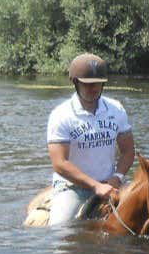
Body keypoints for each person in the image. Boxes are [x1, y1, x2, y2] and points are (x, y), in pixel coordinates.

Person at [46, 53, 136, 226]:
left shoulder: (116, 109)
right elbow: (60, 163)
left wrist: (116, 177)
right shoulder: (61, 115)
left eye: (98, 83)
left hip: (111, 185)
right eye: (87, 84)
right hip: (73, 188)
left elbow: (128, 151)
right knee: (60, 228)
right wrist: (95, 186)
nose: (93, 88)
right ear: (75, 83)